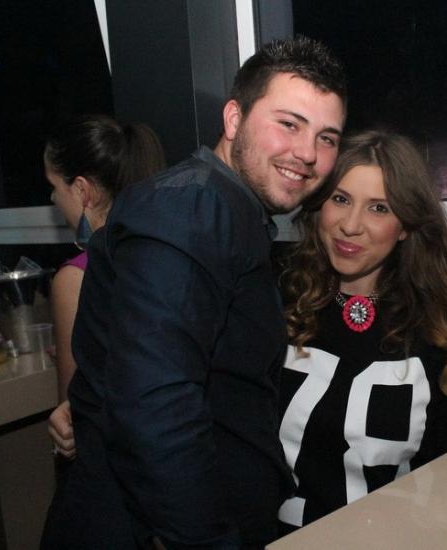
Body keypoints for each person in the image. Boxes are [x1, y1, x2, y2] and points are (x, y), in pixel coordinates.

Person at [41, 36, 347, 549]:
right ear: (234, 119)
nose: (308, 154)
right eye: (289, 124)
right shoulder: (192, 210)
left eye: (327, 137)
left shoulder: (227, 210)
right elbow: (156, 409)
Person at [276, 129, 447, 532]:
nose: (351, 226)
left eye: (378, 208)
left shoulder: (444, 323)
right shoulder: (279, 299)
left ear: (405, 225)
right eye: (340, 199)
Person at [44, 115, 166, 404]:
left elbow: (73, 405)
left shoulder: (74, 278)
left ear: (82, 190)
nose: (53, 198)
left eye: (54, 185)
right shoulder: (161, 252)